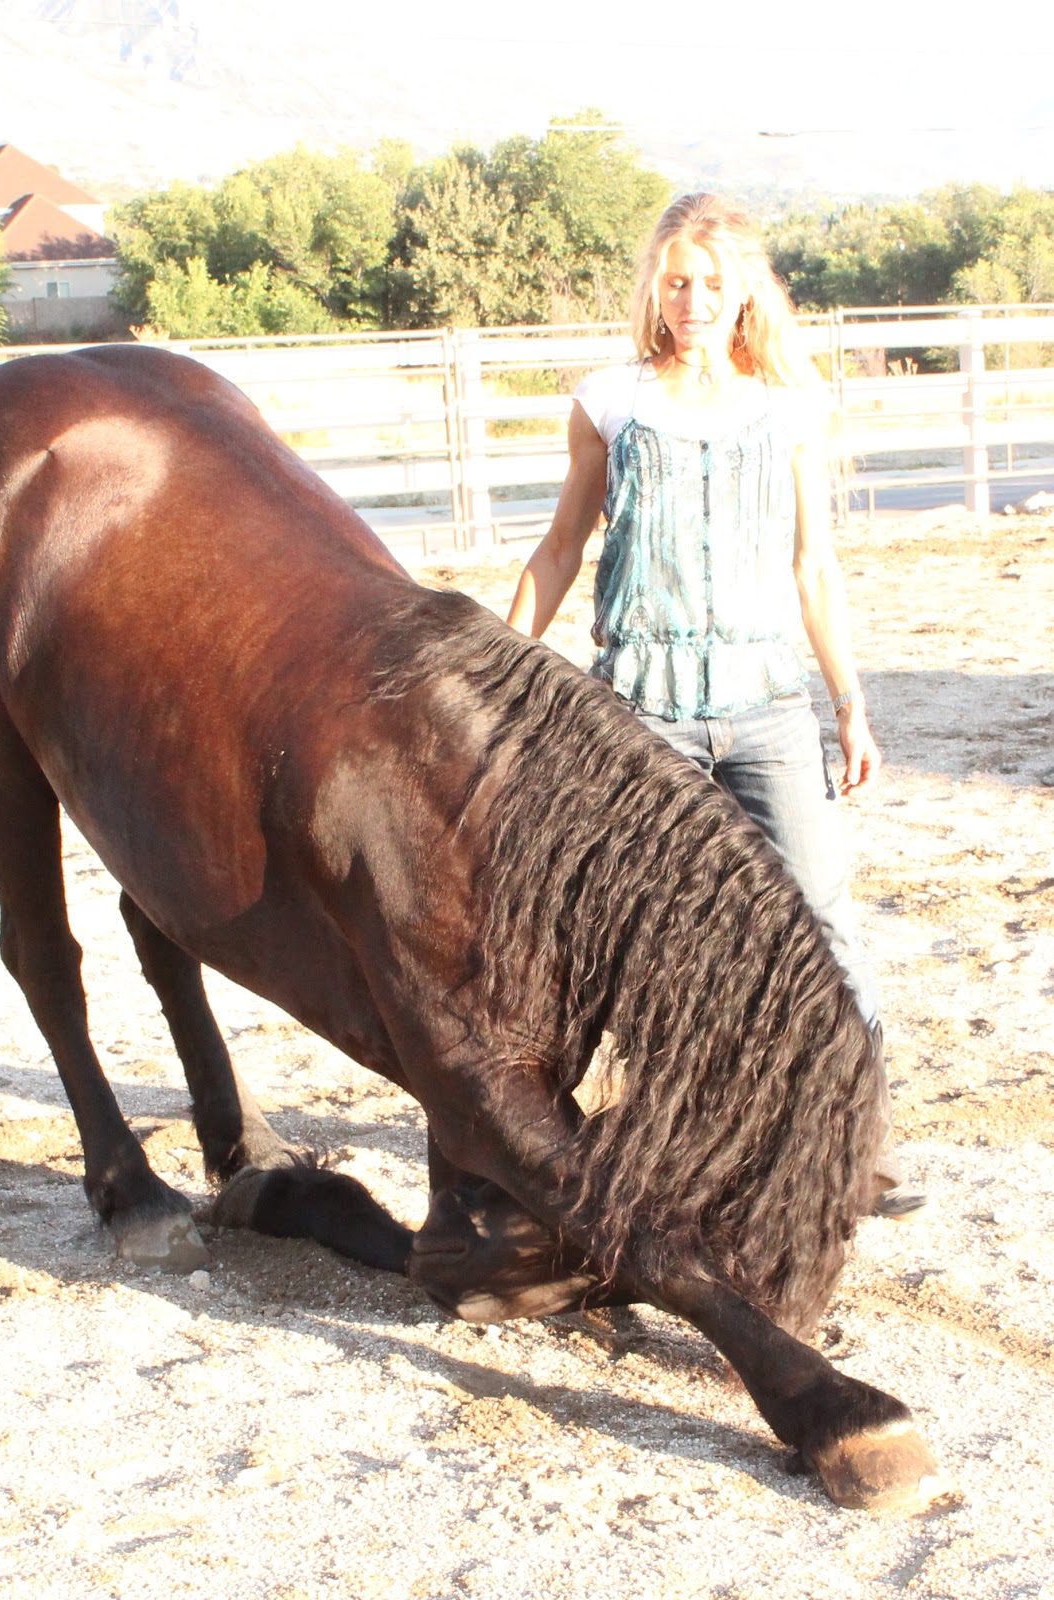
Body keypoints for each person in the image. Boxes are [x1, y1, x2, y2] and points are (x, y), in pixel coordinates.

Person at [506, 191, 925, 1218]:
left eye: (713, 283)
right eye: (677, 280)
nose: (693, 299)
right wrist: (500, 672)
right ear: (656, 286)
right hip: (640, 715)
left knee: (819, 913)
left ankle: (855, 1141)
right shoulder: (610, 402)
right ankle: (663, 1133)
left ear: (745, 294)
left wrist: (849, 706)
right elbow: (561, 549)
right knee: (645, 934)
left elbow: (813, 568)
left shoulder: (787, 410)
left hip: (767, 708)